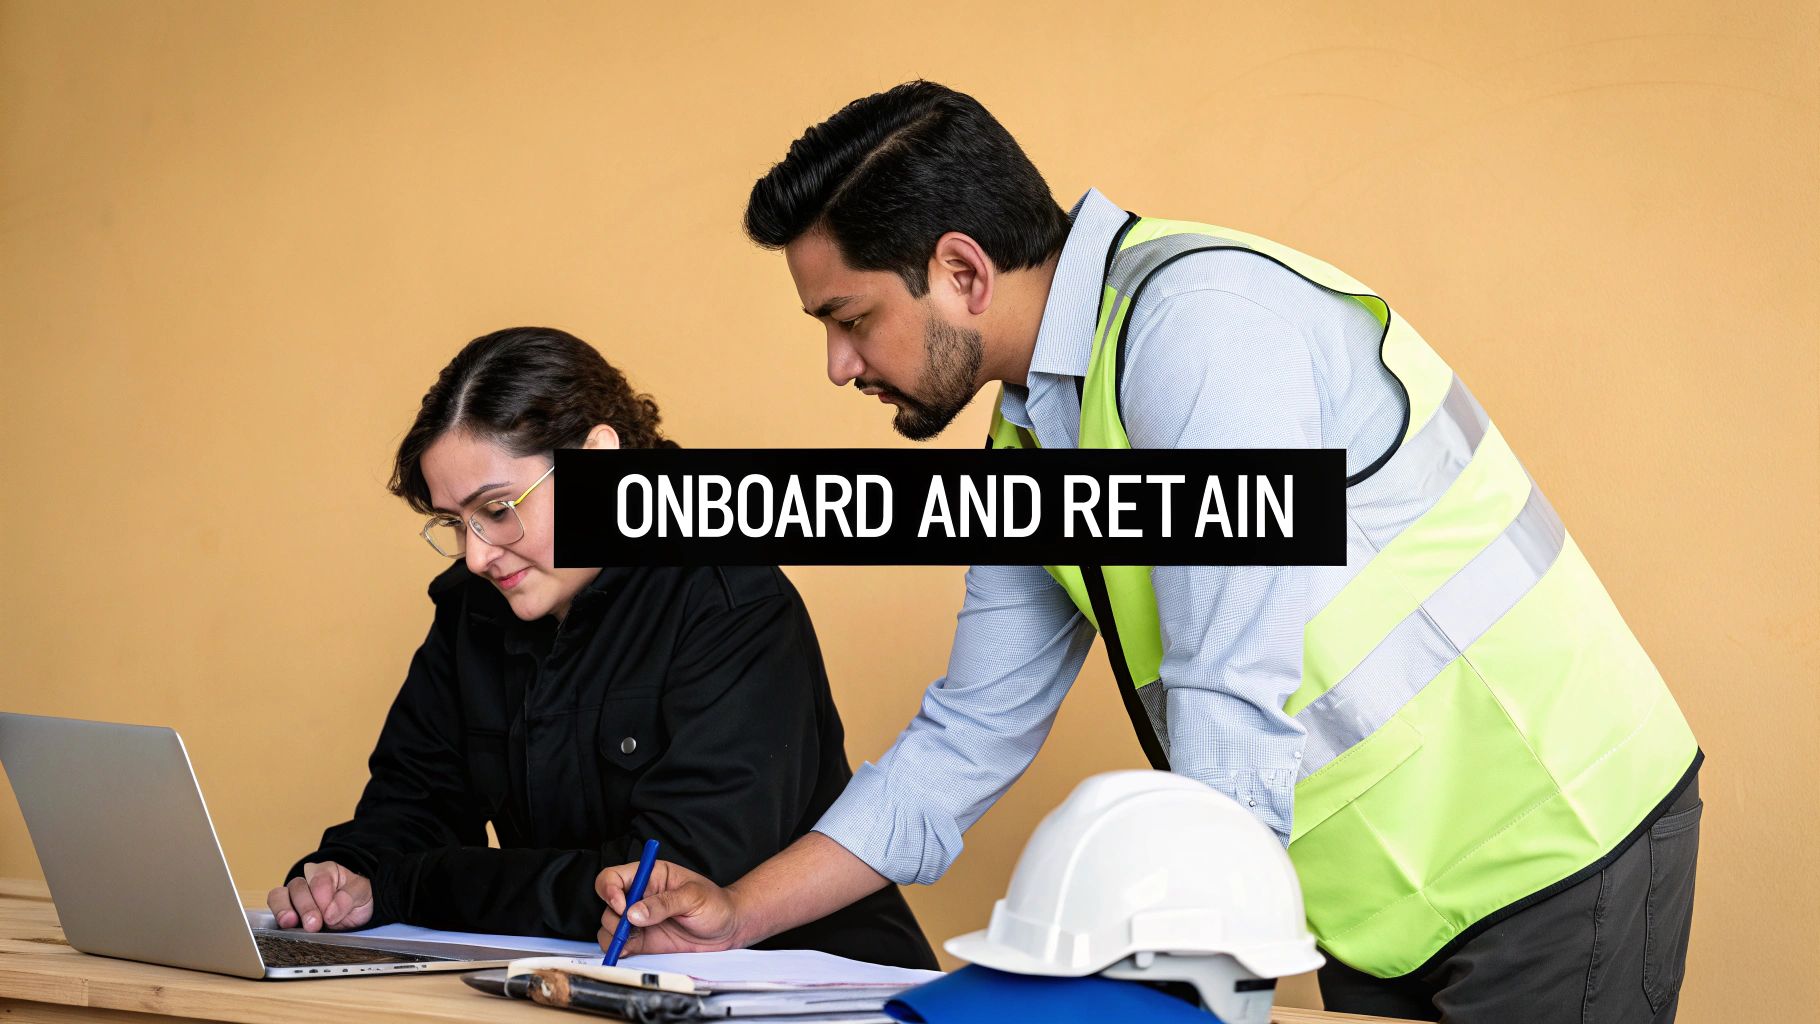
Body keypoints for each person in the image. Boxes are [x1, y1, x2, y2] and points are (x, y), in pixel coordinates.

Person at [594, 84, 1702, 1022]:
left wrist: (1193, 975)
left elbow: (1227, 699)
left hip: (1553, 838)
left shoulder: (1202, 327)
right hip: (1383, 895)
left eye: (849, 319)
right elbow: (964, 740)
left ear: (963, 272)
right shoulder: (1031, 437)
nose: (839, 366)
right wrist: (736, 915)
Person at [265, 326, 936, 970]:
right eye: (454, 523)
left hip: (814, 990)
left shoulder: (730, 598)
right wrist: (342, 877)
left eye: (496, 510)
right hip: (595, 982)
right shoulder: (474, 610)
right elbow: (409, 807)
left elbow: (664, 886)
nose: (475, 556)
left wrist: (409, 884)